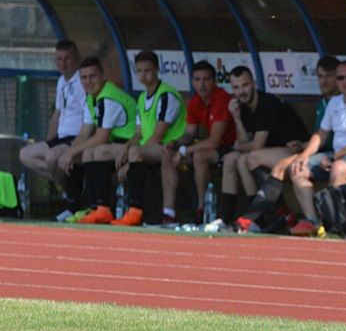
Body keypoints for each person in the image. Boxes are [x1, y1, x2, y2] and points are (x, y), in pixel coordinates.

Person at [234, 56, 340, 234]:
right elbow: (319, 135)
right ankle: (276, 215)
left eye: (329, 76)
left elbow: (329, 139)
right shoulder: (324, 103)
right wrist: (303, 145)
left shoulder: (340, 102)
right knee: (247, 160)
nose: (324, 81)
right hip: (305, 149)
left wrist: (305, 148)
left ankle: (259, 217)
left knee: (268, 162)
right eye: (320, 76)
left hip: (327, 154)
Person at [287, 60, 346, 236]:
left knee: (338, 167)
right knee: (297, 169)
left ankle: (339, 223)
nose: (345, 81)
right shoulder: (334, 102)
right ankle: (313, 221)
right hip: (335, 155)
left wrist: (335, 157)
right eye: (340, 78)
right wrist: (304, 155)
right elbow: (322, 133)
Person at [216, 66, 309, 227]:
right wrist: (236, 118)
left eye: (245, 85)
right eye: (236, 88)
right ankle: (225, 218)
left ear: (253, 83)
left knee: (248, 158)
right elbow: (244, 141)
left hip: (297, 149)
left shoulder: (266, 103)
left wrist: (239, 145)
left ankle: (271, 214)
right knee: (232, 159)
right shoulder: (242, 107)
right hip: (270, 152)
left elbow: (255, 145)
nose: (241, 92)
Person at [105, 50, 187, 226]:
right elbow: (138, 133)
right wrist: (126, 149)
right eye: (140, 71)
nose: (143, 75)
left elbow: (157, 137)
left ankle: (136, 211)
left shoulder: (166, 95)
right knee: (102, 152)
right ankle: (99, 207)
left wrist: (130, 161)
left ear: (157, 70)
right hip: (148, 148)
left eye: (147, 70)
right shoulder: (142, 98)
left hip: (168, 147)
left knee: (136, 154)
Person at [57, 56, 137, 224]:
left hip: (132, 143)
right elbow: (85, 131)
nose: (88, 81)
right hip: (117, 143)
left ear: (103, 76)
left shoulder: (108, 97)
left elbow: (101, 137)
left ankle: (104, 208)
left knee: (98, 151)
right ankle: (94, 208)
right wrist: (70, 153)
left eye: (92, 76)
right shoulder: (91, 97)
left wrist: (71, 152)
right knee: (85, 154)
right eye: (84, 78)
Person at [161, 60, 236, 226]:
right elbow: (190, 133)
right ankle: (169, 213)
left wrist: (183, 151)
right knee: (167, 154)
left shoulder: (221, 99)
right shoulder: (195, 101)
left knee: (199, 156)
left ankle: (202, 209)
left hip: (232, 147)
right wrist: (175, 143)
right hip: (212, 147)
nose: (201, 85)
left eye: (206, 80)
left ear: (214, 81)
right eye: (197, 80)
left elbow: (215, 141)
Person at [18, 40, 86, 221]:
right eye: (59, 59)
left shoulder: (82, 81)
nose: (63, 64)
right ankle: (69, 188)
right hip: (61, 137)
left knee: (51, 158)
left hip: (76, 136)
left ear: (77, 59)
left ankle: (71, 197)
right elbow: (57, 112)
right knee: (25, 154)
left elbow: (89, 116)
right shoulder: (61, 82)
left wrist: (77, 144)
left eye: (67, 59)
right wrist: (50, 140)